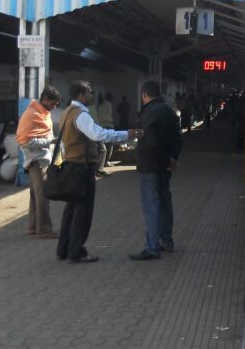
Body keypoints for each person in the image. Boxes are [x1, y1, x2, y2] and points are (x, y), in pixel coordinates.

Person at [57, 81, 132, 264]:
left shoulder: (66, 112)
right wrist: (126, 134)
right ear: (81, 95)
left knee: (70, 210)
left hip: (70, 166)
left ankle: (64, 248)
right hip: (82, 168)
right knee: (82, 211)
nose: (92, 95)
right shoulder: (81, 115)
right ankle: (77, 251)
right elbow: (98, 135)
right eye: (90, 92)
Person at [129, 80, 182, 261]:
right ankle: (167, 241)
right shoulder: (169, 110)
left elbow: (151, 142)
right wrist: (173, 158)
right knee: (165, 202)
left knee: (152, 206)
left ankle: (152, 247)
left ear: (144, 95)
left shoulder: (148, 112)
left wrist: (165, 159)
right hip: (165, 166)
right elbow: (178, 136)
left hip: (150, 165)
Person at [17, 86, 61, 238]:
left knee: (35, 195)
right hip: (37, 161)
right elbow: (26, 141)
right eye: (54, 103)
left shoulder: (43, 113)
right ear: (45, 100)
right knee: (43, 195)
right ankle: (44, 230)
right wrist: (50, 141)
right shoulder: (32, 114)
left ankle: (33, 227)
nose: (55, 107)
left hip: (39, 160)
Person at [95, 91, 115, 177]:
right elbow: (109, 116)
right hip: (108, 125)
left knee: (103, 146)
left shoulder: (100, 105)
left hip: (101, 126)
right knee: (109, 145)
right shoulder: (108, 104)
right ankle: (106, 161)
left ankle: (103, 162)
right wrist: (112, 121)